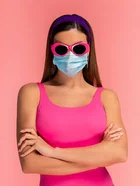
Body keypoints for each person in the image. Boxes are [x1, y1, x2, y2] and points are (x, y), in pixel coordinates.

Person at [16, 14, 128, 186]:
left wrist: (52, 152)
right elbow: (30, 164)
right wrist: (99, 155)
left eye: (78, 49)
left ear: (89, 50)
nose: (70, 55)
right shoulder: (32, 93)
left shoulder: (107, 97)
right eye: (62, 49)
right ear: (52, 50)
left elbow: (120, 153)